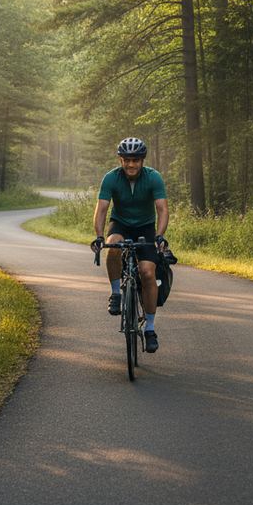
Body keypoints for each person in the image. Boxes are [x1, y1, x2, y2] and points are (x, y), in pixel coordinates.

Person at [91, 136, 169, 353]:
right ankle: (116, 294)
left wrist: (160, 235)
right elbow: (102, 209)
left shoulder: (153, 178)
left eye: (135, 160)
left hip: (145, 228)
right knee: (113, 245)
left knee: (147, 272)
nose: (131, 164)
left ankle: (150, 329)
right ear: (120, 160)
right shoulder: (111, 178)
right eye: (126, 160)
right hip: (120, 225)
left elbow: (162, 209)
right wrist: (99, 235)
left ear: (142, 160)